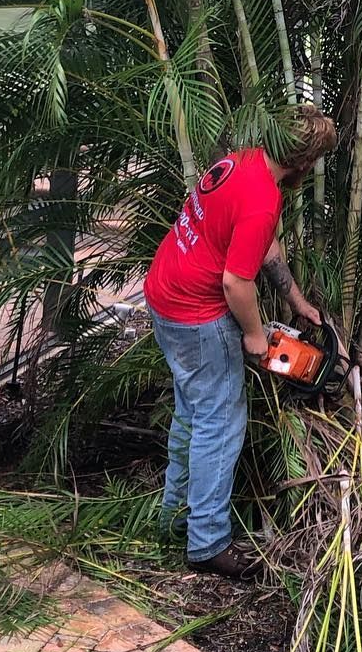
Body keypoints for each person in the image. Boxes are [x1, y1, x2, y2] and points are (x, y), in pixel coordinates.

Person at [143, 105, 337, 577]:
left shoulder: (244, 161)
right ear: (304, 163)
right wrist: (253, 334)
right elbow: (235, 282)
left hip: (164, 293)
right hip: (197, 316)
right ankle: (207, 542)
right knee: (221, 424)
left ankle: (174, 516)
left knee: (192, 412)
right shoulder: (262, 199)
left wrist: (295, 301)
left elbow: (263, 247)